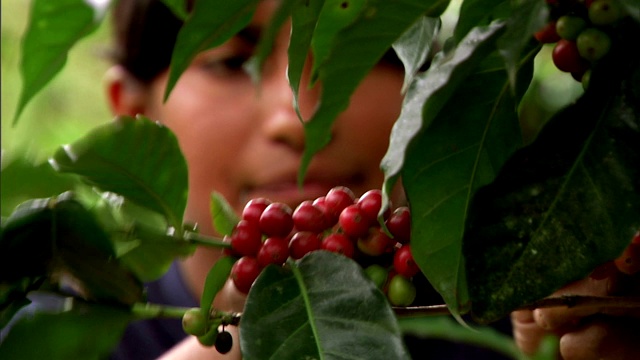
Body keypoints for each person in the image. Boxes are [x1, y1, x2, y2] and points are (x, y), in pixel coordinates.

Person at [103, 0, 639, 359]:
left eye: (349, 60)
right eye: (233, 63)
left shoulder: (520, 319)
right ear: (132, 114)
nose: (299, 118)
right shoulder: (53, 331)